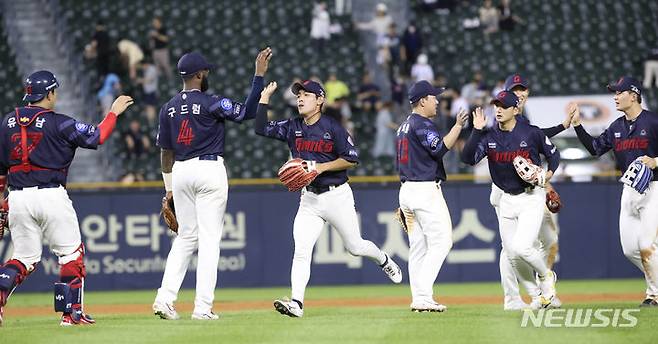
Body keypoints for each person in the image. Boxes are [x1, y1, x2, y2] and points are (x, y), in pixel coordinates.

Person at [254, 79, 402, 318]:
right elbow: (260, 128)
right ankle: (297, 303)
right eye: (298, 95)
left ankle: (383, 259)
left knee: (355, 247)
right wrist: (264, 99)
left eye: (307, 94)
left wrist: (320, 167)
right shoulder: (293, 126)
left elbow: (351, 158)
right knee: (301, 250)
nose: (300, 98)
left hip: (337, 196)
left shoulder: (333, 127)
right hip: (309, 199)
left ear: (320, 100)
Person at [0, 70, 133, 326]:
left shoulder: (6, 122)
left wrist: (1, 204)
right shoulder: (59, 122)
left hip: (17, 198)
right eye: (55, 91)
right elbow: (97, 136)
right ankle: (71, 313)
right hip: (51, 195)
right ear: (49, 93)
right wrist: (113, 112)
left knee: (24, 258)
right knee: (71, 254)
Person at [152, 48, 271, 320]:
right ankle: (202, 308)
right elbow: (247, 113)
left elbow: (165, 152)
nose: (207, 74)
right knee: (209, 241)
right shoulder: (210, 102)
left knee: (184, 239)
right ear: (200, 74)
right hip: (208, 169)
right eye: (206, 71)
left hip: (180, 172)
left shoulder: (167, 107)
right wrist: (258, 75)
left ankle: (164, 298)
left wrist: (168, 187)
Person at [461, 91, 560, 309]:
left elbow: (553, 154)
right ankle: (537, 296)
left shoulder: (531, 132)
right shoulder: (488, 136)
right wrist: (476, 131)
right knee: (513, 255)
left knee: (522, 247)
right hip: (506, 199)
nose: (498, 109)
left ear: (515, 110)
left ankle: (546, 277)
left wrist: (549, 174)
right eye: (496, 105)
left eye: (503, 106)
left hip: (531, 196)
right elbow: (467, 159)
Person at [571, 76, 658, 306]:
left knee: (647, 245)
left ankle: (653, 295)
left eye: (619, 93)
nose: (615, 97)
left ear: (634, 94)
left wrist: (656, 161)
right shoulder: (617, 126)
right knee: (630, 249)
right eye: (614, 93)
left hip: (654, 187)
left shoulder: (653, 122)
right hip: (629, 189)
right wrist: (578, 126)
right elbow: (595, 148)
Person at [496, 74, 571, 310]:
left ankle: (543, 291)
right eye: (514, 90)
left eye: (522, 89)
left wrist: (562, 126)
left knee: (547, 239)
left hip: (530, 187)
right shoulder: (504, 114)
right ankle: (515, 297)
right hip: (505, 188)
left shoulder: (523, 118)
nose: (519, 93)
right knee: (511, 249)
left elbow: (536, 136)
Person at [396, 80, 468, 312]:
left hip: (407, 190)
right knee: (442, 242)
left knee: (419, 248)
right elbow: (438, 149)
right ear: (423, 100)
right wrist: (457, 126)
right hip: (424, 190)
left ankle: (419, 297)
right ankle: (424, 295)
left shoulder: (404, 125)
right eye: (433, 97)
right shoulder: (421, 124)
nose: (437, 100)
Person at [149, 17, 172, 82]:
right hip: (155, 51)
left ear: (159, 22)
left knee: (165, 65)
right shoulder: (154, 30)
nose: (154, 23)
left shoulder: (163, 29)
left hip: (163, 50)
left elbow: (166, 39)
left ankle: (170, 80)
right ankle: (160, 82)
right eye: (153, 22)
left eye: (155, 22)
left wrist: (157, 35)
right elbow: (152, 41)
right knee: (157, 67)